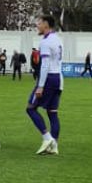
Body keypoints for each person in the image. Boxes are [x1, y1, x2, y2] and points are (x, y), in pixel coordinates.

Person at [27, 15, 63, 155]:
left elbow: (45, 65)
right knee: (52, 113)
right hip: (59, 78)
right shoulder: (58, 39)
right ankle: (54, 146)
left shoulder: (46, 42)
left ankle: (47, 138)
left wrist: (40, 86)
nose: (38, 25)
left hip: (49, 78)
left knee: (30, 108)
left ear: (46, 25)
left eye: (39, 23)